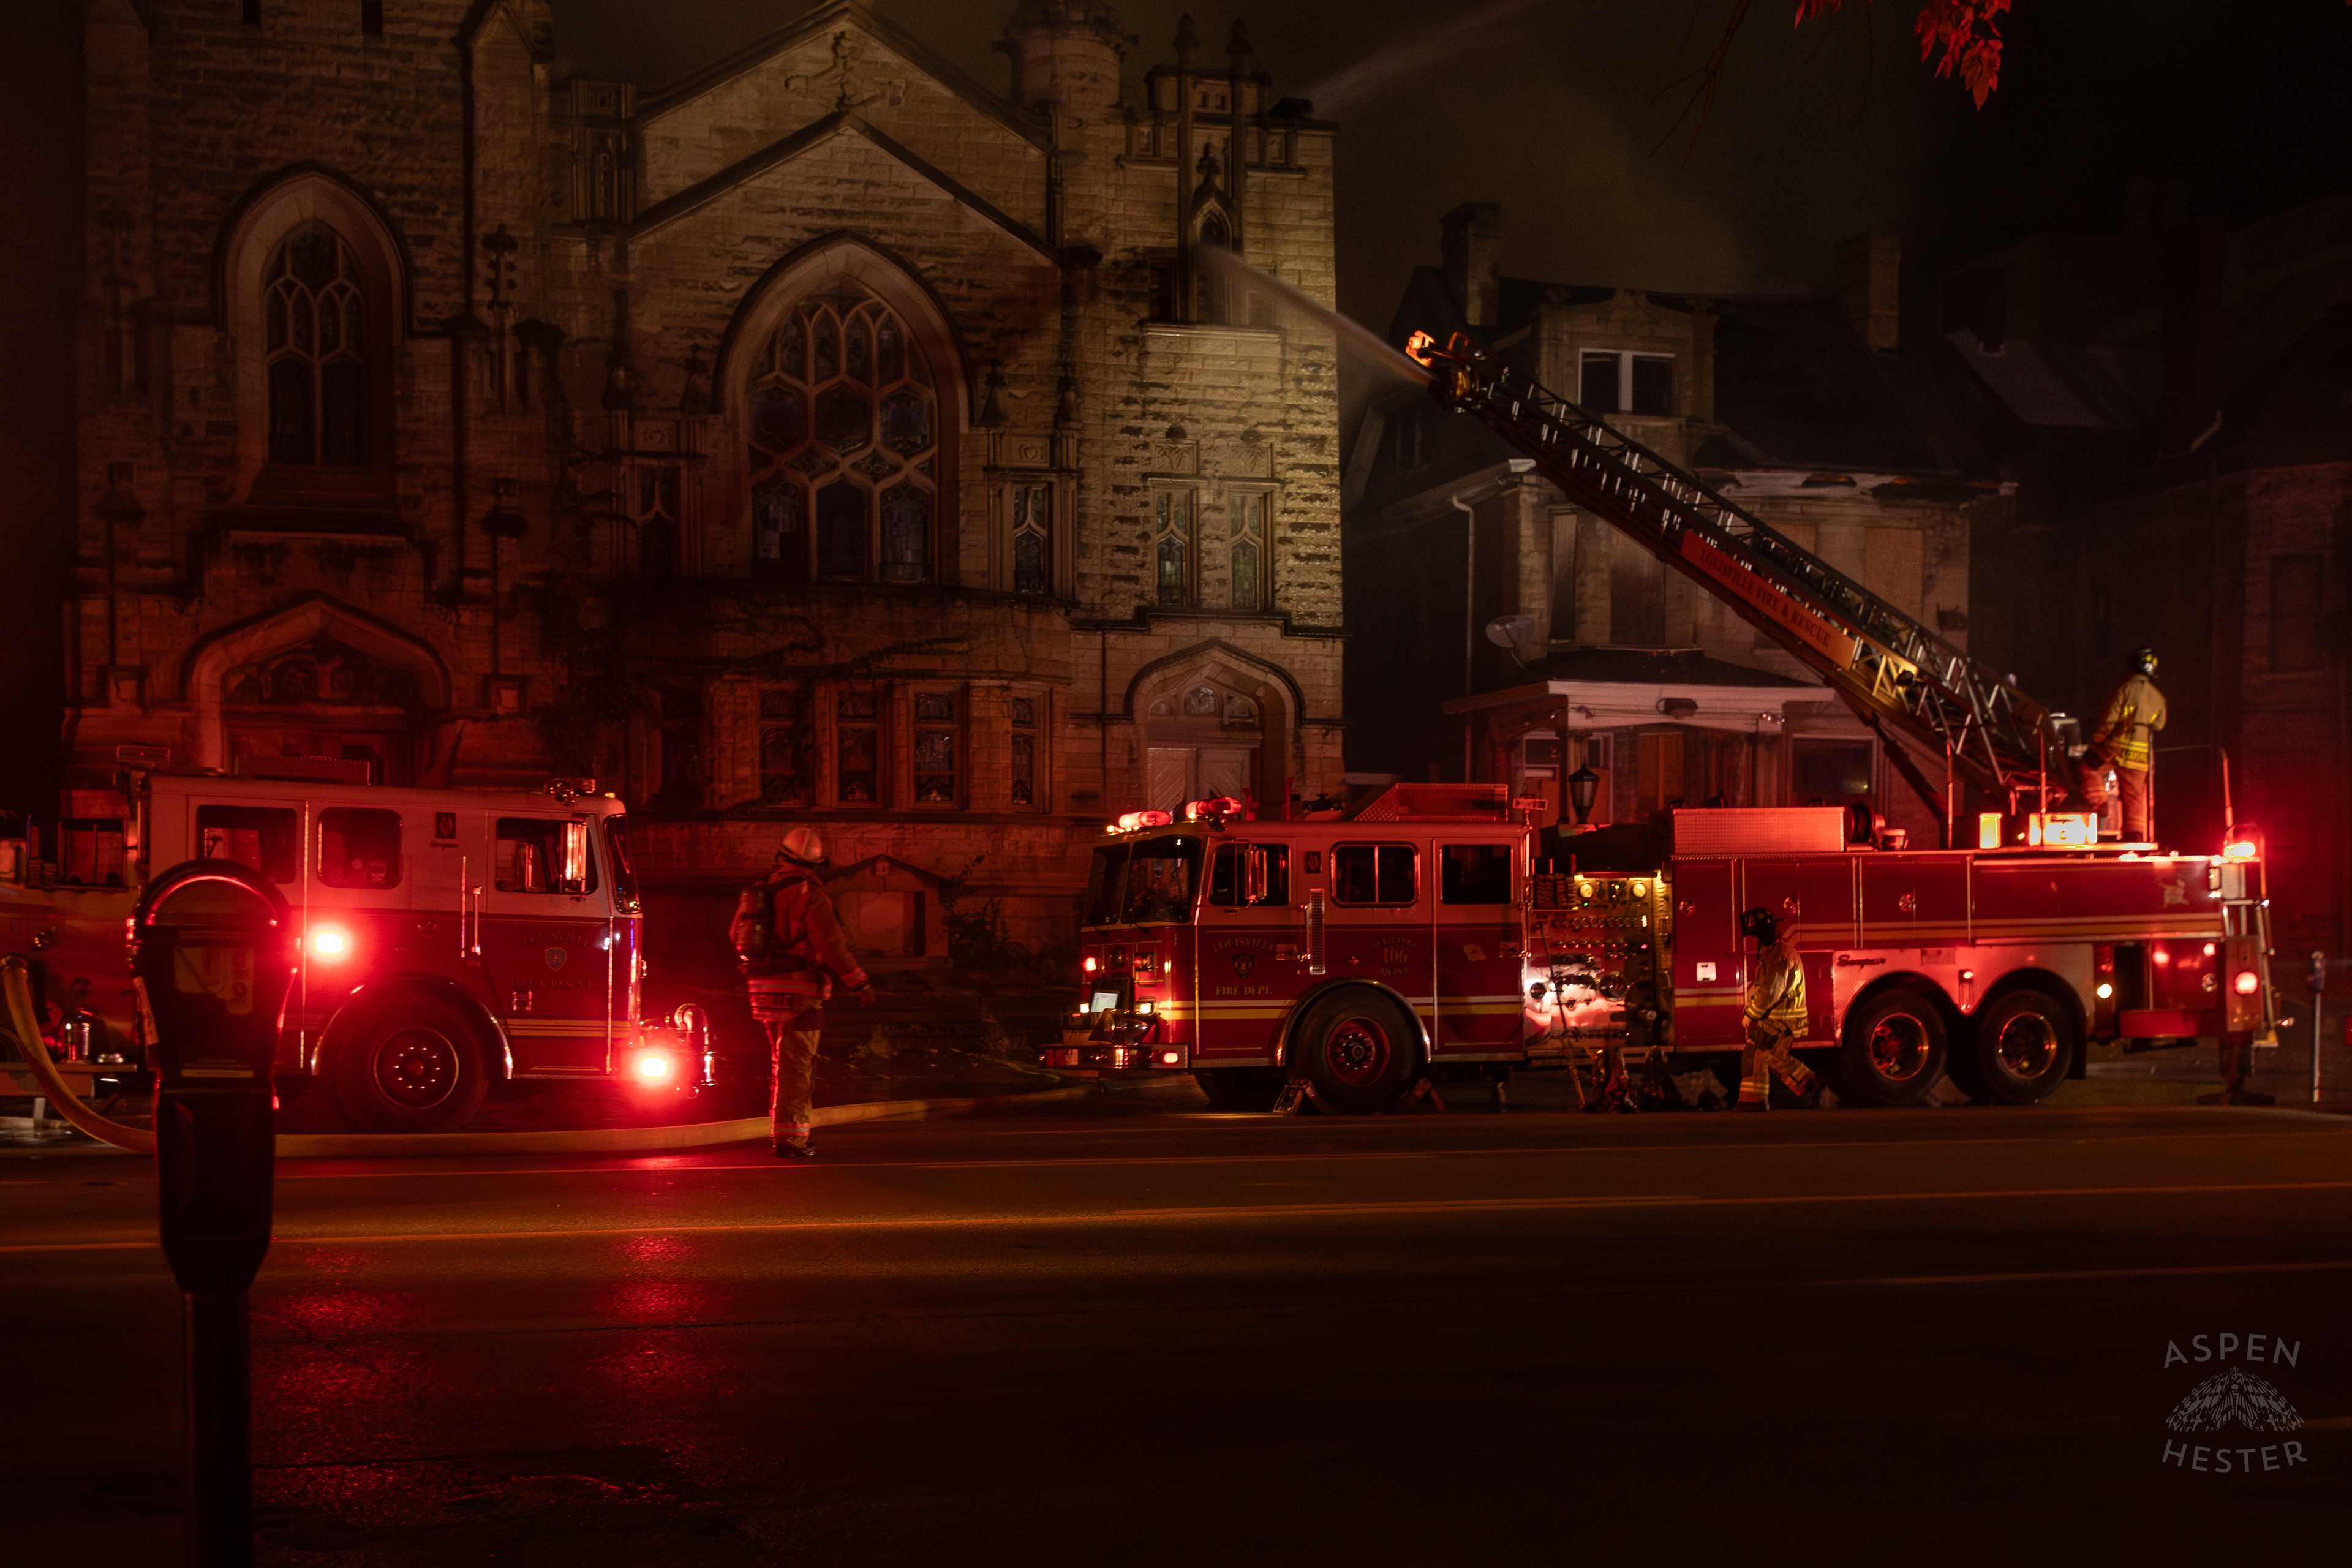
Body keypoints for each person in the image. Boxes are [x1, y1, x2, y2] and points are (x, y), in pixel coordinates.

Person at [734, 827, 875, 1159]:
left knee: (780, 1064)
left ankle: (781, 1131)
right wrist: (859, 983)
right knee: (797, 1068)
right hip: (800, 992)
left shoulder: (760, 890)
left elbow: (735, 934)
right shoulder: (810, 892)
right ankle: (791, 1140)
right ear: (816, 863)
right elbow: (831, 945)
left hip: (763, 989)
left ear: (781, 855)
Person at [1735, 907, 1826, 1111]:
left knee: (1754, 1052)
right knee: (1776, 1057)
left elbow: (1771, 993)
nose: (1754, 939)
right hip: (1785, 1016)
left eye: (1755, 935)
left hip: (1781, 1016)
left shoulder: (1778, 957)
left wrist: (1750, 1014)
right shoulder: (1775, 950)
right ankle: (1812, 1084)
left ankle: (1754, 1102)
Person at [2079, 647, 2167, 842]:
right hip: (2142, 758)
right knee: (2135, 796)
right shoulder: (2157, 697)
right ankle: (2135, 836)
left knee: (2089, 768)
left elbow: (2110, 719)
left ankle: (2099, 804)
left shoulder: (2124, 689)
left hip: (2116, 749)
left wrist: (2100, 738)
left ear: (2132, 668)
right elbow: (2159, 724)